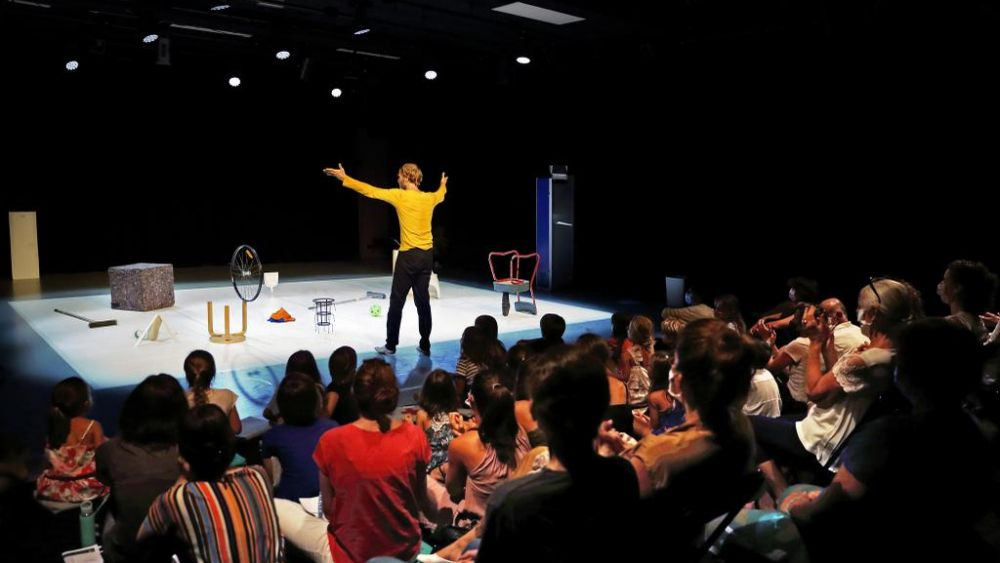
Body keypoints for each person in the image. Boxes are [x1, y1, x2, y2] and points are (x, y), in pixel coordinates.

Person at [324, 162, 447, 356]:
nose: (397, 179)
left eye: (399, 175)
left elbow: (370, 190)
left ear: (406, 176)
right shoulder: (429, 198)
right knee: (423, 302)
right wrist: (443, 184)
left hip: (408, 256)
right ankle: (425, 345)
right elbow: (441, 195)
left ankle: (390, 345)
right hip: (426, 256)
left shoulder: (400, 195)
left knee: (397, 302)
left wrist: (344, 178)